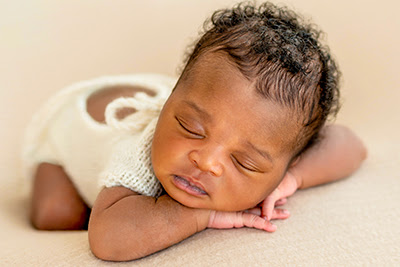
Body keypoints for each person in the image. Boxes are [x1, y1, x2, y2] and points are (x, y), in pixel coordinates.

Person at [22, 1, 367, 261]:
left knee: (216, 108)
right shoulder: (137, 155)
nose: (206, 161)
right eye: (191, 128)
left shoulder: (271, 144)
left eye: (245, 162)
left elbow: (350, 145)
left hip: (190, 101)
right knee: (59, 213)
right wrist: (202, 214)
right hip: (67, 129)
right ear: (169, 107)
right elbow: (107, 239)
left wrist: (292, 178)